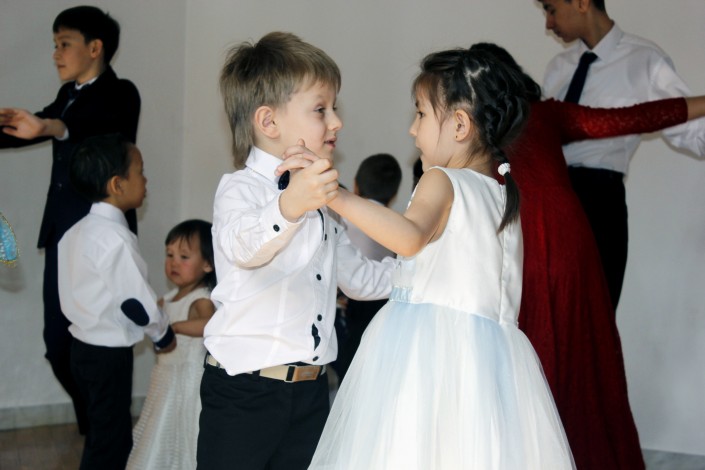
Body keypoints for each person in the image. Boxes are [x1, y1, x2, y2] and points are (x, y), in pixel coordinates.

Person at [281, 47, 575, 469]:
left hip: (426, 356)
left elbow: (409, 237)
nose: (412, 129)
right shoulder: (503, 196)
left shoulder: (442, 180)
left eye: (420, 114)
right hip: (489, 367)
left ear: (460, 125)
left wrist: (334, 195)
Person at [470, 41, 705, 470]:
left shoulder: (481, 125)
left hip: (523, 233)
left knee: (524, 347)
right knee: (579, 347)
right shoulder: (545, 114)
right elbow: (632, 118)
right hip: (561, 232)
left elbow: (634, 117)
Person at [198, 31, 394, 470]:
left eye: (335, 108)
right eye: (322, 109)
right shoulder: (239, 189)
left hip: (310, 391)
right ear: (269, 123)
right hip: (244, 391)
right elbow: (245, 246)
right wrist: (290, 205)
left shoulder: (323, 205)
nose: (337, 122)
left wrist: (422, 270)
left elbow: (359, 279)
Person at [0, 5, 141, 434]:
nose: (56, 53)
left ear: (95, 48)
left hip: (103, 241)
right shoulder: (67, 96)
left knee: (106, 342)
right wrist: (38, 125)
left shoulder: (121, 94)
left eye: (65, 44)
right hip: (63, 237)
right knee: (58, 344)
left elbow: (92, 126)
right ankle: (98, 427)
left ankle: (108, 434)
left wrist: (51, 127)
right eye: (55, 45)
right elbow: (40, 125)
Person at [539, 0, 705, 309]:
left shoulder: (644, 60)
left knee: (595, 313)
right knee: (550, 308)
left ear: (581, 3)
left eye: (551, 9)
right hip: (552, 199)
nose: (548, 23)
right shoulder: (558, 67)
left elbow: (693, 132)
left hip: (600, 199)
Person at [57, 133, 175, 470]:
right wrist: (162, 334)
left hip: (81, 348)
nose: (146, 179)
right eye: (140, 171)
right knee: (111, 441)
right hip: (107, 356)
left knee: (102, 432)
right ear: (117, 184)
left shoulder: (74, 232)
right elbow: (135, 301)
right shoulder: (115, 237)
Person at [127, 219, 216, 470]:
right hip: (165, 378)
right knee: (159, 428)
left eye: (184, 256)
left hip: (188, 381)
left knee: (186, 431)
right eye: (169, 255)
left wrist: (174, 328)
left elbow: (208, 324)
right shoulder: (166, 299)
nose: (174, 262)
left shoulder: (201, 299)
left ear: (208, 264)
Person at [334, 153, 401, 381]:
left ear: (355, 184)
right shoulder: (399, 224)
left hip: (352, 305)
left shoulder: (343, 217)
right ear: (394, 194)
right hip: (385, 305)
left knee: (349, 374)